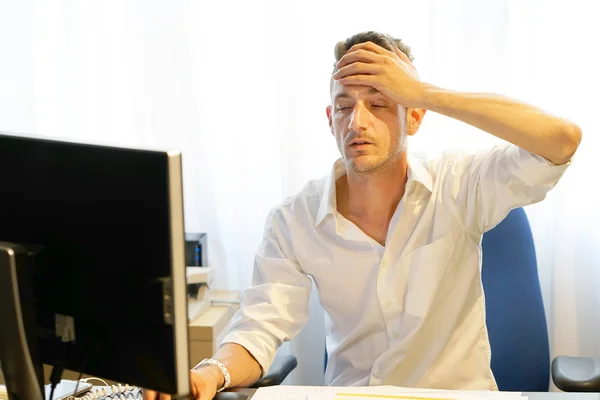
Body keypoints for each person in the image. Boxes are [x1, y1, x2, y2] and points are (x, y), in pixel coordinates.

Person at [144, 31, 581, 400]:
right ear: (329, 118)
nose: (358, 121)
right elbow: (259, 326)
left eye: (380, 103)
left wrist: (423, 92)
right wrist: (207, 375)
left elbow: (561, 139)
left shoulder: (460, 184)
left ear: (414, 118)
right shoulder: (293, 219)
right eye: (345, 105)